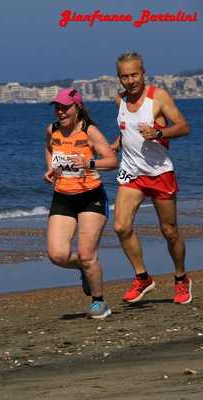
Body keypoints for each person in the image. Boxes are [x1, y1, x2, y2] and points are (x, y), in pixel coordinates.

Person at [112, 52, 191, 304]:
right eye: (125, 76)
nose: (130, 80)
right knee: (121, 227)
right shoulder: (120, 100)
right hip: (132, 173)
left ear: (143, 73)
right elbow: (127, 128)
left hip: (159, 173)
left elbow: (183, 126)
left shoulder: (158, 97)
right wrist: (118, 142)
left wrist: (158, 131)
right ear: (119, 78)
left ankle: (181, 278)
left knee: (169, 231)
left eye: (134, 74)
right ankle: (142, 277)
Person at [44, 88, 117, 319]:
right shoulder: (52, 130)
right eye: (57, 107)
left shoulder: (90, 131)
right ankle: (84, 269)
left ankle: (99, 302)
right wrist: (50, 169)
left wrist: (90, 163)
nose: (60, 111)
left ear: (78, 108)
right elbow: (49, 149)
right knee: (57, 255)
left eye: (65, 107)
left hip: (91, 197)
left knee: (87, 254)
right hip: (63, 196)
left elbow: (112, 161)